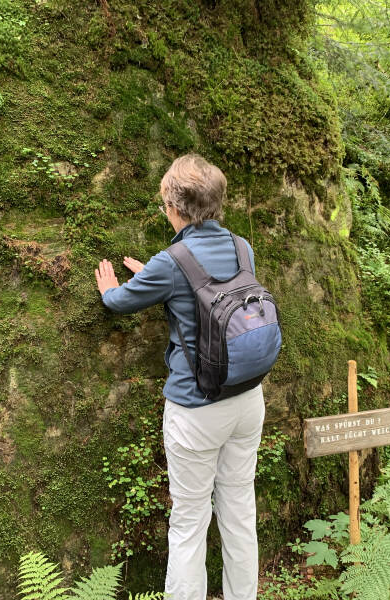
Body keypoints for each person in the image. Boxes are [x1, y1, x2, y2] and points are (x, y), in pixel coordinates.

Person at [95, 154, 265, 600]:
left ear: (174, 208)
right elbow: (213, 290)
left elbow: (119, 302)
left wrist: (111, 288)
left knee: (189, 520)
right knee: (239, 510)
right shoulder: (243, 247)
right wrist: (155, 276)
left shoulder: (172, 261)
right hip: (247, 399)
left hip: (197, 409)